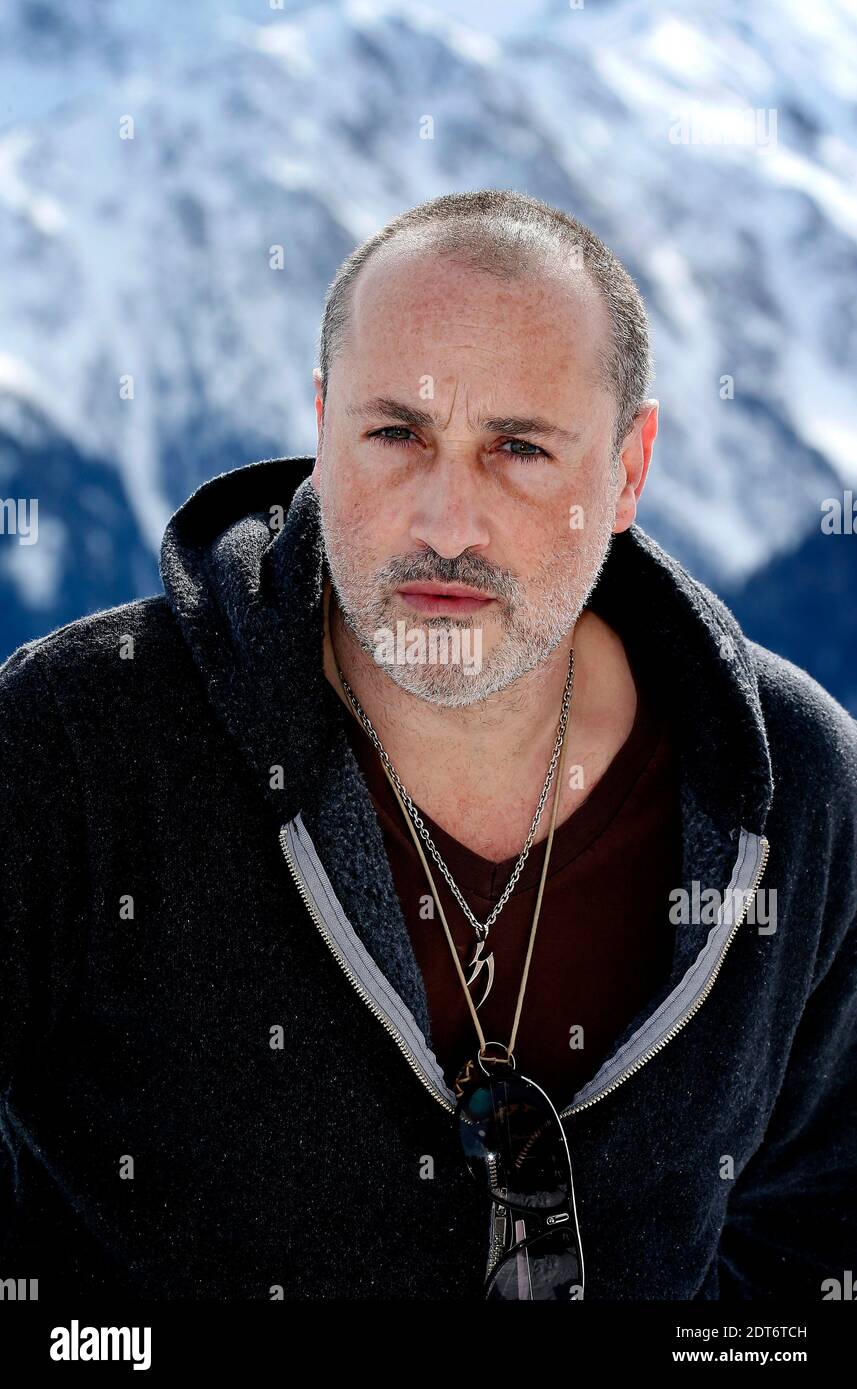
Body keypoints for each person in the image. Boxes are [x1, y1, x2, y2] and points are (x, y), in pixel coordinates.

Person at [1, 189, 855, 1301]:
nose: (445, 522)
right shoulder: (78, 738)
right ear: (321, 431)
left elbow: (815, 1237)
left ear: (627, 471)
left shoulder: (789, 787)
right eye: (396, 434)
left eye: (517, 449)